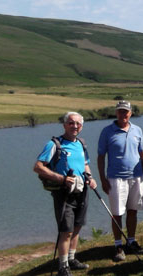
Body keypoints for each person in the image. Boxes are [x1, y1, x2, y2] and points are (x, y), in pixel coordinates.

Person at [33, 112, 97, 276]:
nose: (75, 126)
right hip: (63, 193)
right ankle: (63, 267)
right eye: (71, 123)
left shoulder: (81, 144)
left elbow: (85, 164)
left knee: (77, 227)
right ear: (64, 125)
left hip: (81, 191)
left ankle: (72, 259)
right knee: (66, 230)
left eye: (78, 124)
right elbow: (38, 167)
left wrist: (90, 177)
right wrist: (61, 179)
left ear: (81, 126)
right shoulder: (55, 144)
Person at [97, 100, 143, 261]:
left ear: (130, 113)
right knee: (117, 213)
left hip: (137, 177)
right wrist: (103, 180)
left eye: (126, 111)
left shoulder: (137, 130)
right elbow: (100, 157)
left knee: (133, 210)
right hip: (115, 178)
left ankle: (131, 241)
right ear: (116, 112)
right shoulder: (107, 131)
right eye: (120, 111)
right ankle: (118, 245)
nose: (123, 114)